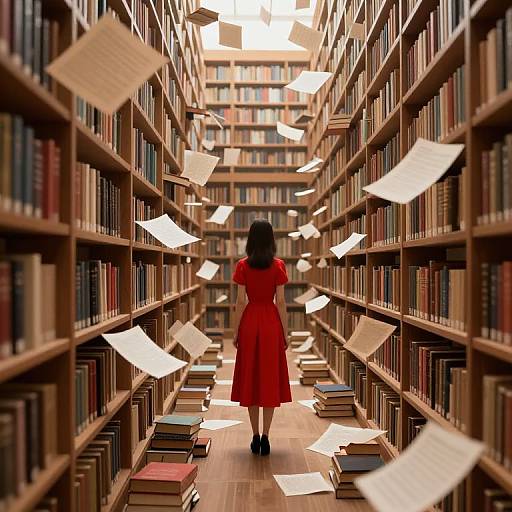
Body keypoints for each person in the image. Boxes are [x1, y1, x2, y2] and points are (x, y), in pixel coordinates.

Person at [231, 219, 292, 456]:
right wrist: (285, 333)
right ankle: (266, 437)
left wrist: (236, 331)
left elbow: (239, 301)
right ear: (271, 239)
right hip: (270, 324)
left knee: (251, 379)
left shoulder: (242, 265)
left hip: (250, 321)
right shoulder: (278, 265)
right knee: (268, 379)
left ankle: (254, 435)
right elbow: (282, 302)